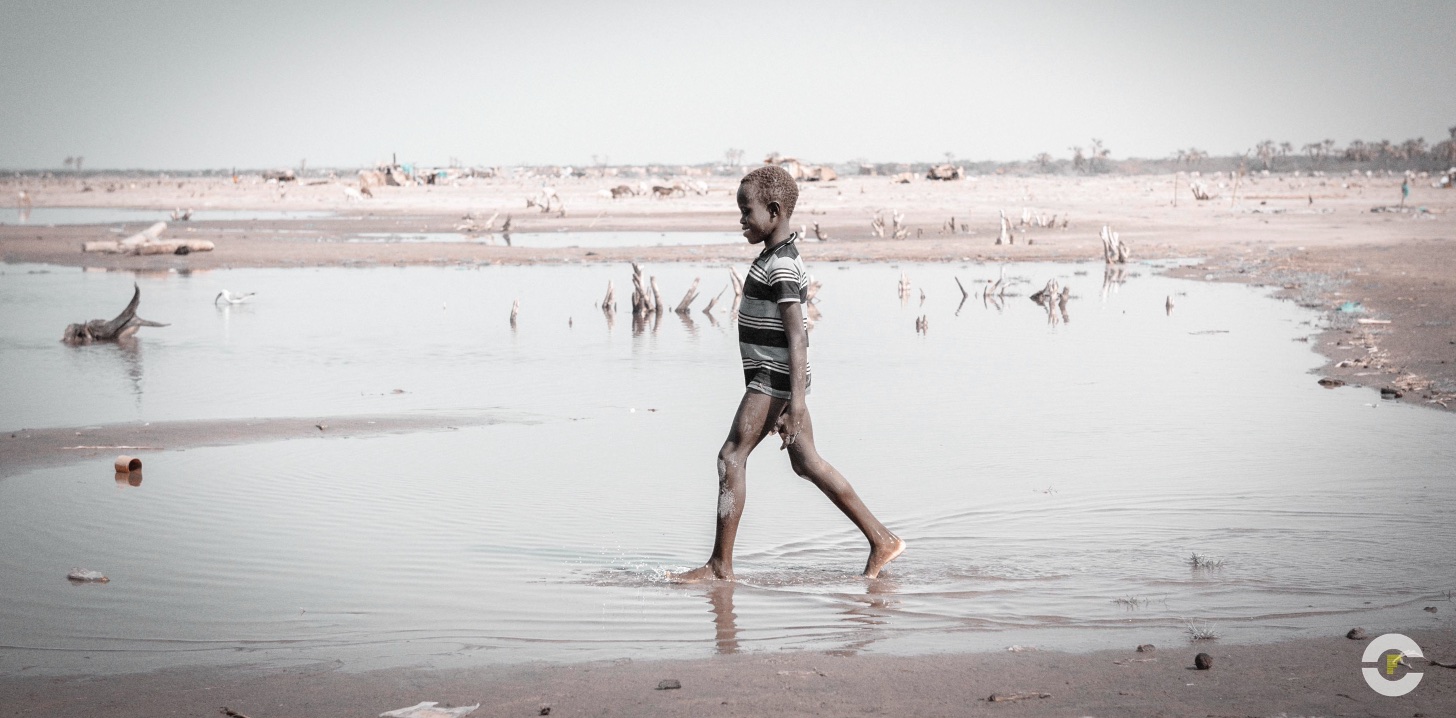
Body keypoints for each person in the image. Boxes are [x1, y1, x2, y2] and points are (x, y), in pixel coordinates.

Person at [671, 166, 904, 582]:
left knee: (731, 457)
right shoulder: (776, 257)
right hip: (777, 378)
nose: (741, 220)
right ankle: (881, 539)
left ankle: (720, 567)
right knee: (807, 462)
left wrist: (794, 403)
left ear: (774, 212)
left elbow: (798, 336)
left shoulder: (782, 264)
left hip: (774, 378)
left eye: (747, 212)